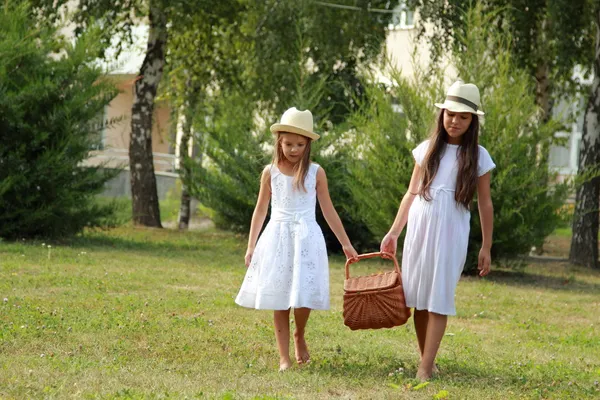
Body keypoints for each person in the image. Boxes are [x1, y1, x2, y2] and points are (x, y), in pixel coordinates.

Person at [380, 80, 495, 381]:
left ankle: (424, 368)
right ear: (442, 114)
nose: (455, 121)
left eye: (463, 116)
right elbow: (410, 193)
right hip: (421, 225)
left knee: (439, 296)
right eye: (450, 114)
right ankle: (426, 360)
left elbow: (485, 203)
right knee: (418, 295)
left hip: (451, 228)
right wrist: (394, 232)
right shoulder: (428, 149)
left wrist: (486, 245)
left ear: (472, 121)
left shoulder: (479, 156)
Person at [235, 107, 359, 371]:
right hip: (277, 237)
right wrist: (251, 246)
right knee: (279, 296)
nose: (293, 149)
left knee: (303, 296)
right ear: (279, 140)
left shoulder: (316, 172)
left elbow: (328, 209)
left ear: (308, 144)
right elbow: (260, 209)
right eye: (288, 143)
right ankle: (283, 357)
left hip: (306, 237)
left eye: (299, 144)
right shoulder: (270, 172)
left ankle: (299, 333)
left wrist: (346, 244)